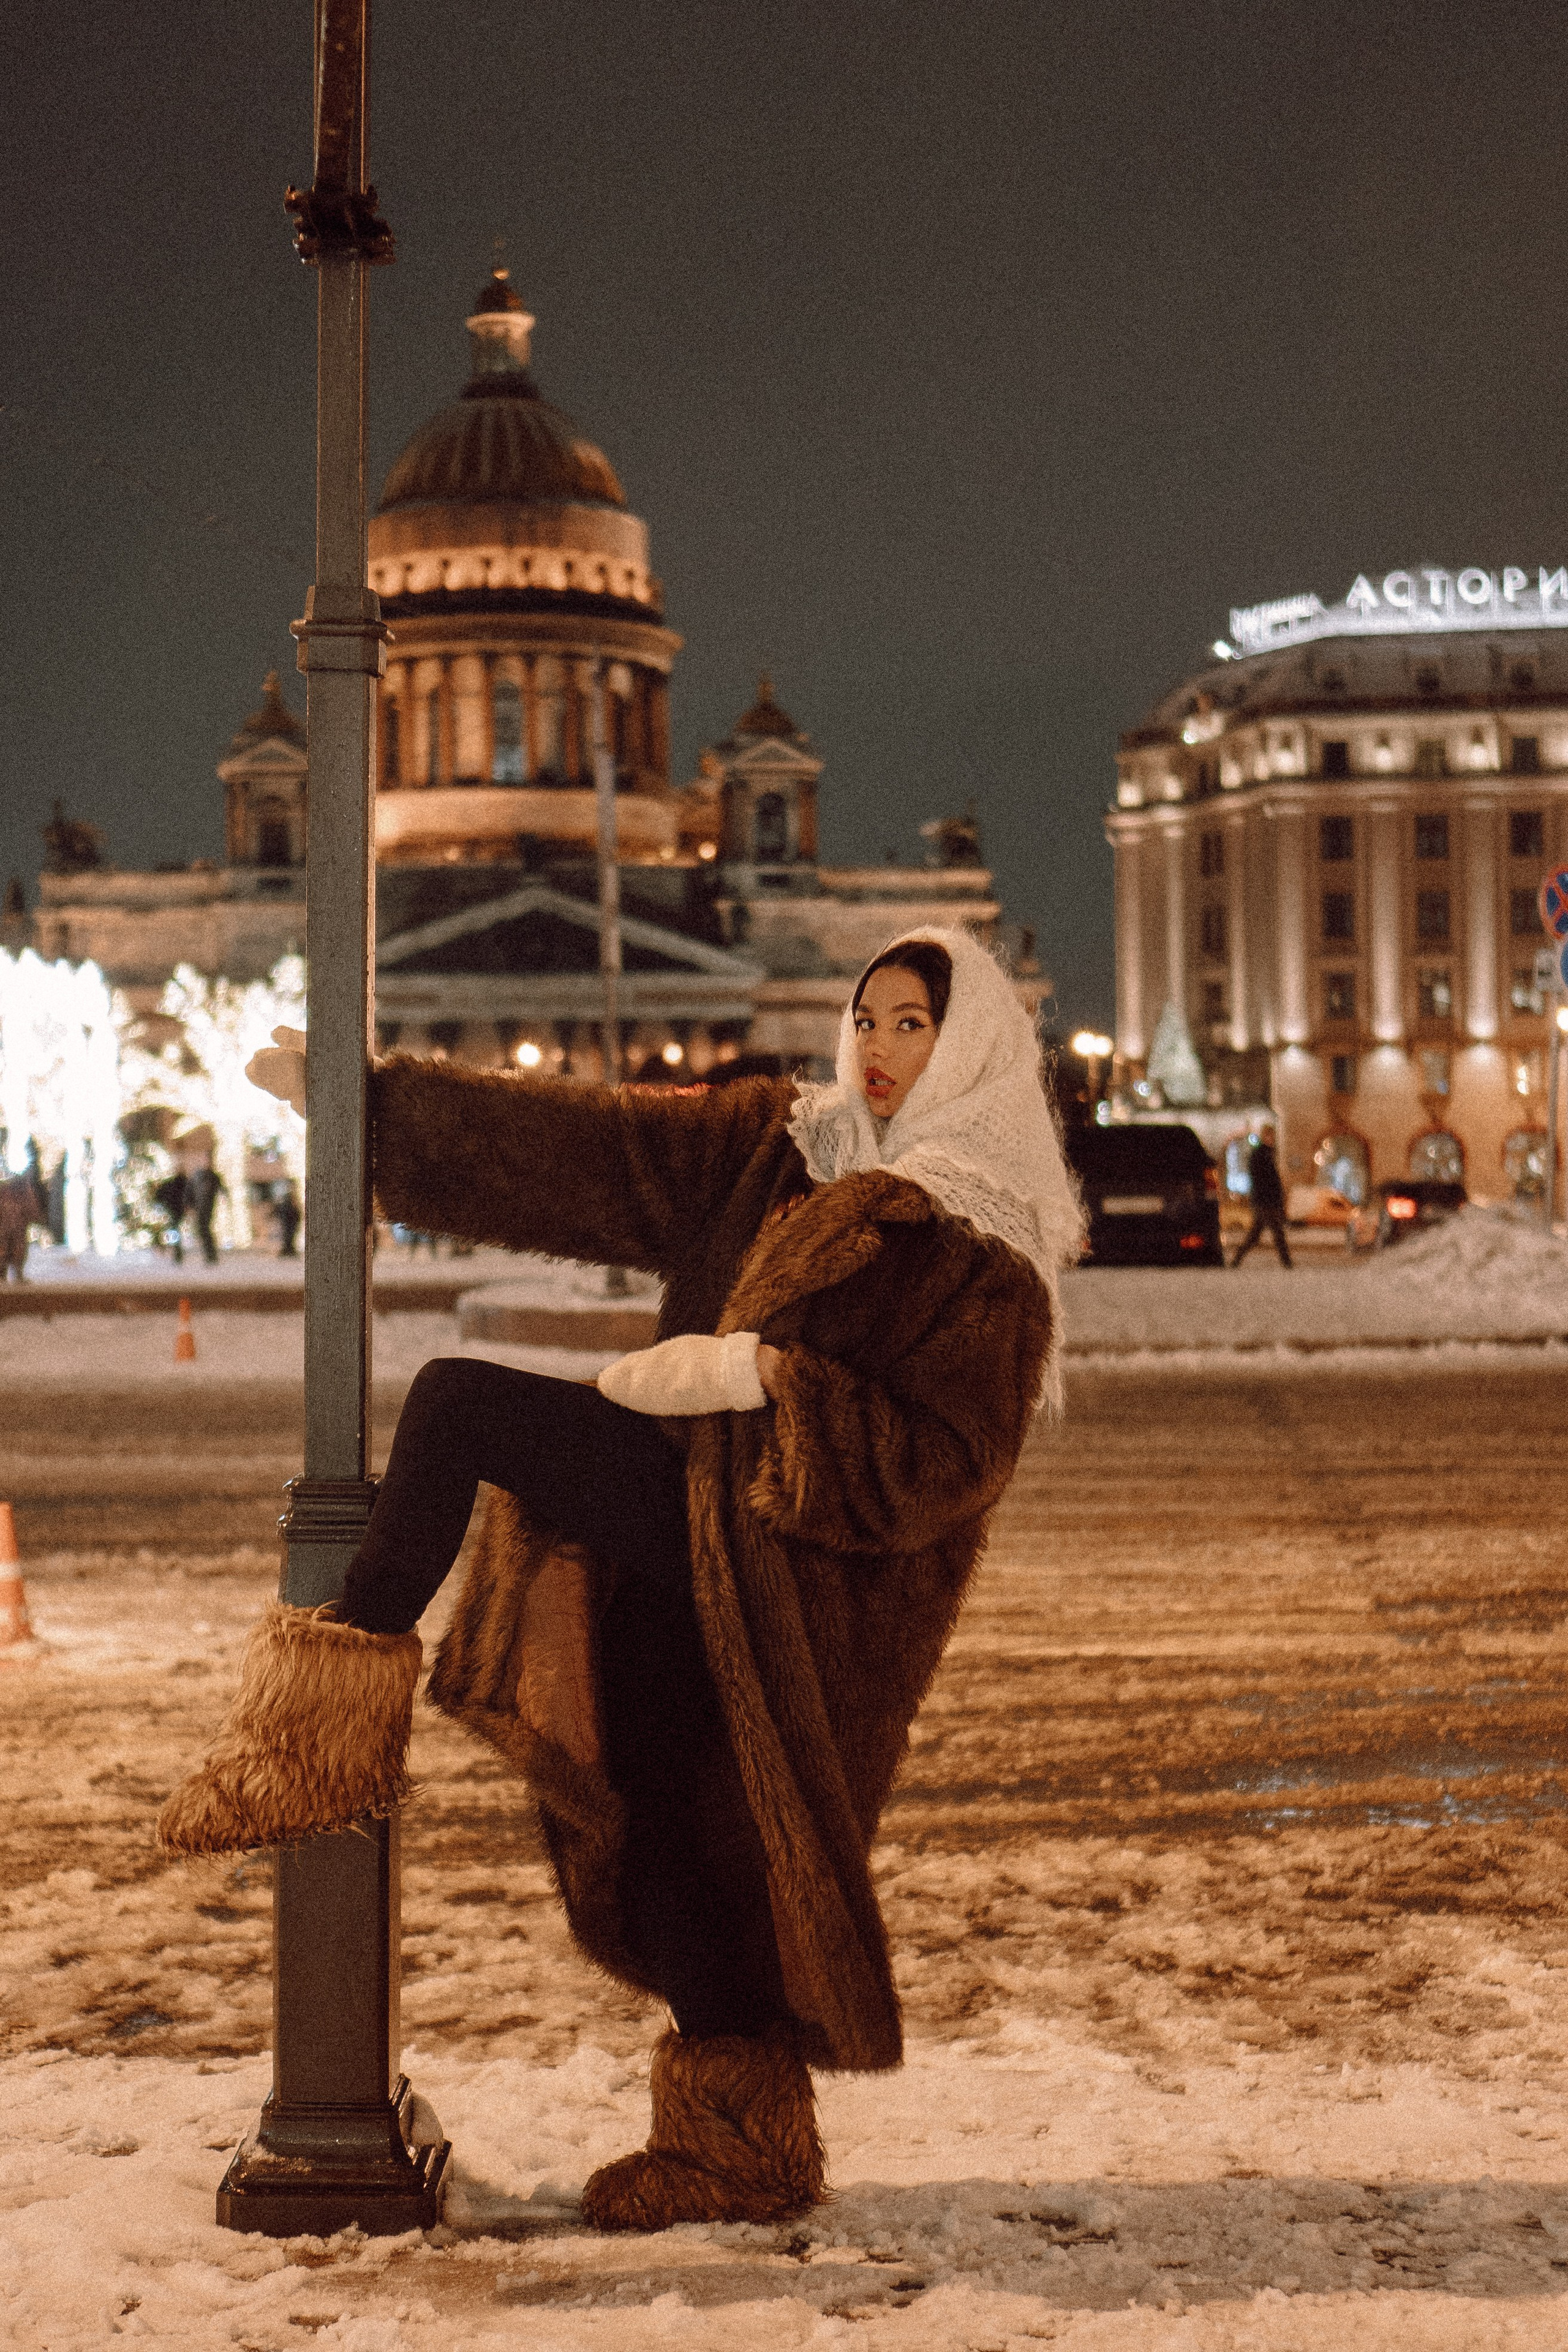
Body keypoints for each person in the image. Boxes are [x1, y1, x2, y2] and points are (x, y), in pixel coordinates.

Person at [157, 929, 1083, 2231]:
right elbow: (586, 1154)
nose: (876, 1049)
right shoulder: (781, 1147)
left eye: (911, 1026)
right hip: (683, 1528)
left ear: (970, 1042)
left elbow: (947, 1463)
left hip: (789, 1593)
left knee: (460, 1404)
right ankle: (735, 2151)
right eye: (864, 1018)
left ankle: (316, 1724)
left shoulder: (983, 1241)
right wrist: (373, 1111)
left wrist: (762, 1383)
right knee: (665, 1852)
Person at [1231, 1123, 1292, 1268]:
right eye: (1269, 1136)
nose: (1272, 1139)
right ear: (1265, 1136)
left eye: (1273, 1136)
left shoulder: (1267, 1154)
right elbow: (1263, 1181)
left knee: (1256, 1235)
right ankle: (1287, 1263)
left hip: (1267, 1201)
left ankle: (1237, 1260)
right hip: (1265, 1202)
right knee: (1277, 1232)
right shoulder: (1260, 1155)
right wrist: (1271, 1197)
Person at [187, 1162, 225, 1266]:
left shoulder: (212, 1177)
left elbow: (221, 1189)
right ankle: (210, 1255)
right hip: (201, 1208)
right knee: (204, 1231)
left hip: (206, 1208)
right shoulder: (199, 1176)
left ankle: (211, 1255)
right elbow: (190, 1191)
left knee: (204, 1231)